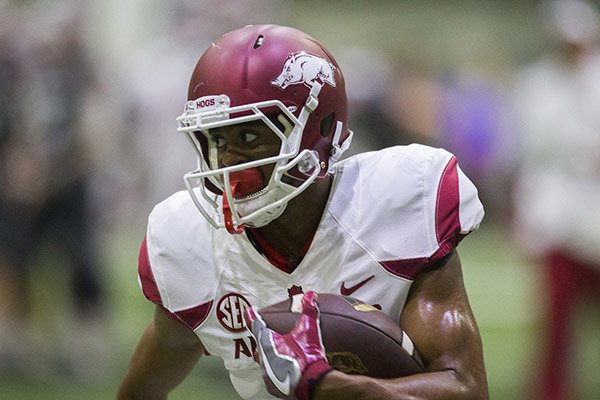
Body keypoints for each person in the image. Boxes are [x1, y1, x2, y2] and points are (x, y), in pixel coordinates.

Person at [117, 24, 488, 400]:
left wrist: (332, 387)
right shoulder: (189, 246)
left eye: (248, 136)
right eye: (215, 139)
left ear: (319, 131)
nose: (227, 162)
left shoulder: (402, 201)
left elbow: (466, 389)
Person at [511, 1, 600, 399]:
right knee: (557, 324)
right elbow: (527, 155)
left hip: (593, 218)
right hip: (556, 219)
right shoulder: (536, 85)